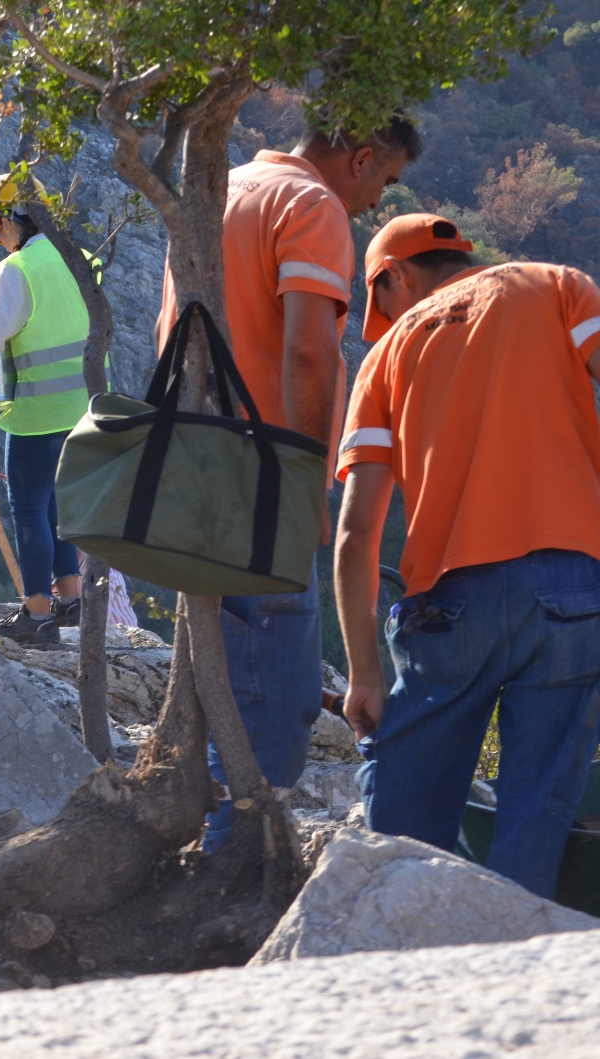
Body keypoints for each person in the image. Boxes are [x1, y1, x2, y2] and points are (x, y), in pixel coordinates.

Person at [155, 117, 420, 852]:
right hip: (264, 478)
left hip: (196, 469)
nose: (375, 202)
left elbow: (170, 334)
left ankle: (213, 838)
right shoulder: (312, 207)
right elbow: (309, 351)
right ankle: (236, 859)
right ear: (361, 156)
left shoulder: (226, 186)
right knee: (280, 694)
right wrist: (303, 477)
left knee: (232, 668)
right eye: (384, 180)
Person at [335, 213, 600, 897]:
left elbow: (356, 532)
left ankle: (395, 961)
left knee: (400, 821)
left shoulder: (389, 354)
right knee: (535, 810)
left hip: (453, 601)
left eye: (379, 300)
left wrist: (364, 674)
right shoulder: (557, 287)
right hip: (573, 583)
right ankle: (513, 970)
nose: (382, 316)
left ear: (395, 275)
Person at [0, 174, 89, 644]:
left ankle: (38, 614)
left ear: (11, 219)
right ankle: (71, 602)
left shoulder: (17, 268)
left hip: (38, 410)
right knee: (58, 503)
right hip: (82, 404)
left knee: (28, 507)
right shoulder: (78, 257)